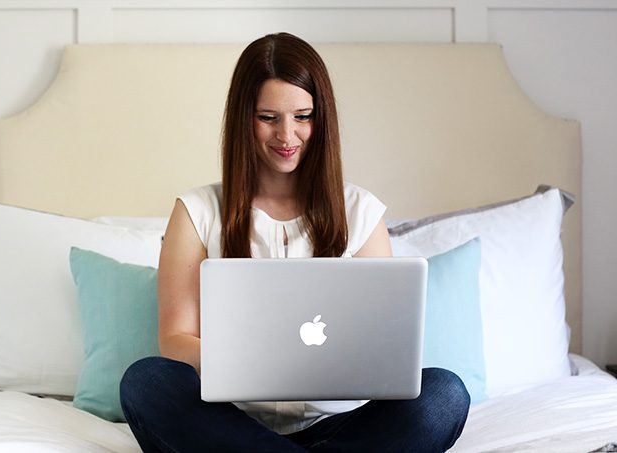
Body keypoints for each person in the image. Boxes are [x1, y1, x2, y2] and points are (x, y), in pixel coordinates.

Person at [120, 32, 470, 452]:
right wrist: (242, 361)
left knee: (444, 394)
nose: (287, 136)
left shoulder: (361, 211)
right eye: (268, 117)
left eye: (302, 116)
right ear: (242, 118)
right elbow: (175, 339)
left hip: (341, 427)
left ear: (321, 119)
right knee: (147, 381)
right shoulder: (197, 211)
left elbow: (384, 347)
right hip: (230, 425)